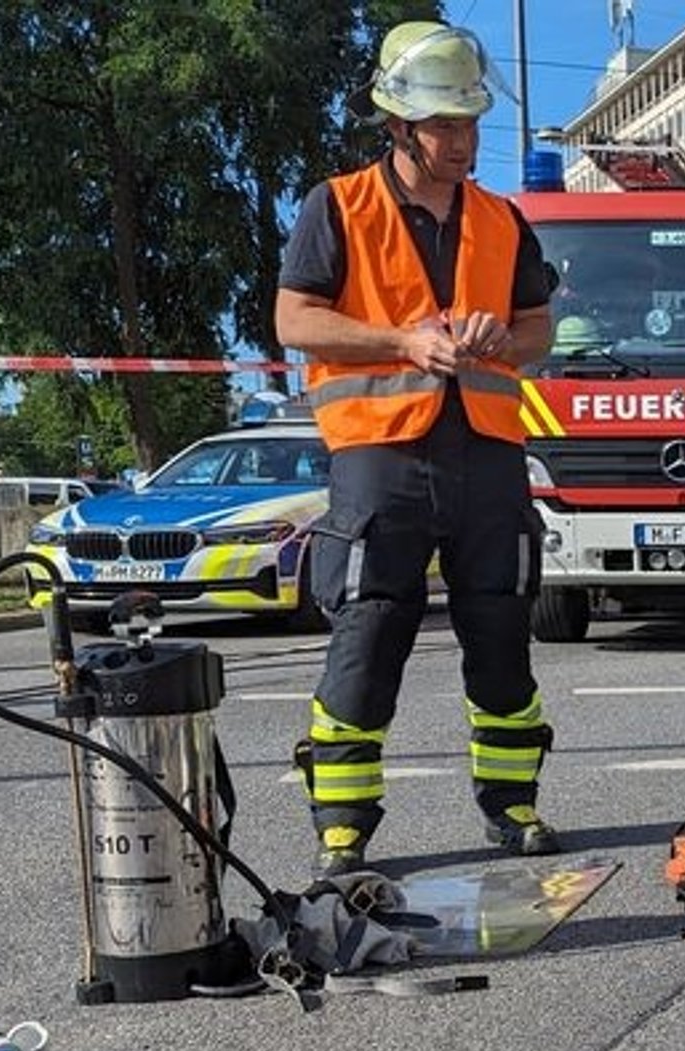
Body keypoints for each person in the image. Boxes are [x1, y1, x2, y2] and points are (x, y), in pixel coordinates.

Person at [275, 21, 559, 877]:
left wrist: (496, 338)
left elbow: (538, 328)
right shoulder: (339, 205)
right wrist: (402, 341)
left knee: (502, 635)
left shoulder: (504, 221)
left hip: (486, 457)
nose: (461, 140)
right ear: (398, 126)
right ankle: (344, 829)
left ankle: (512, 807)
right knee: (368, 638)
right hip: (380, 460)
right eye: (444, 125)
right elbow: (294, 320)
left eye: (469, 122)